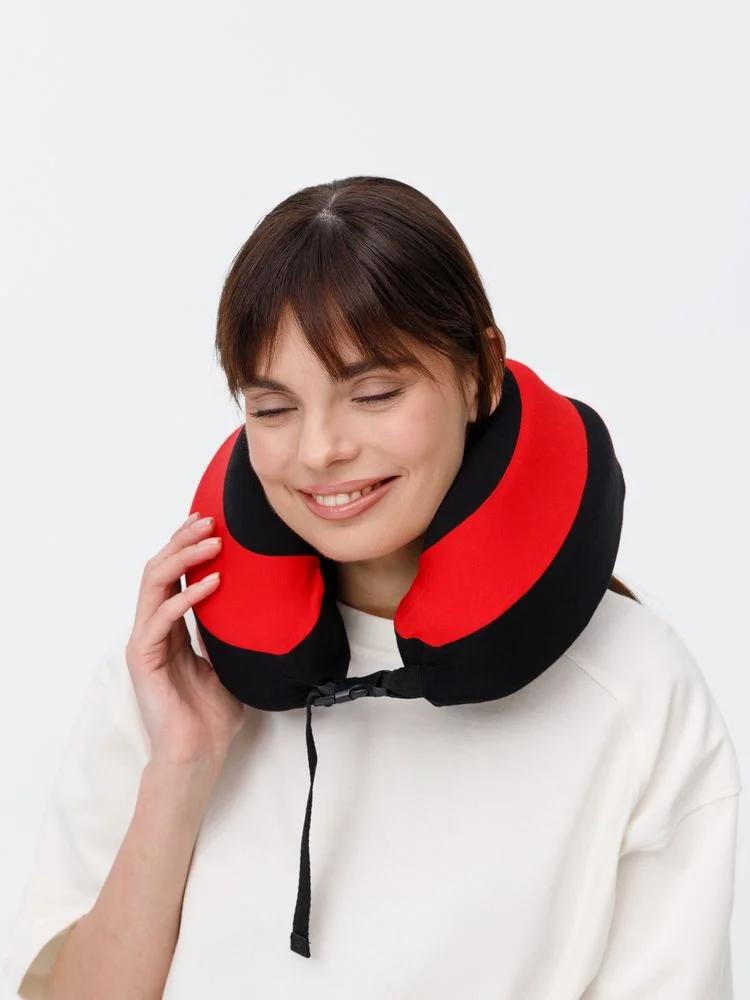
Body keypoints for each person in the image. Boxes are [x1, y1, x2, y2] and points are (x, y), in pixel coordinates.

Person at [2, 176, 742, 999]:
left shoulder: (634, 691)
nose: (320, 450)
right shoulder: (183, 670)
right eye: (273, 409)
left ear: (480, 374)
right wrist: (183, 765)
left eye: (375, 394)